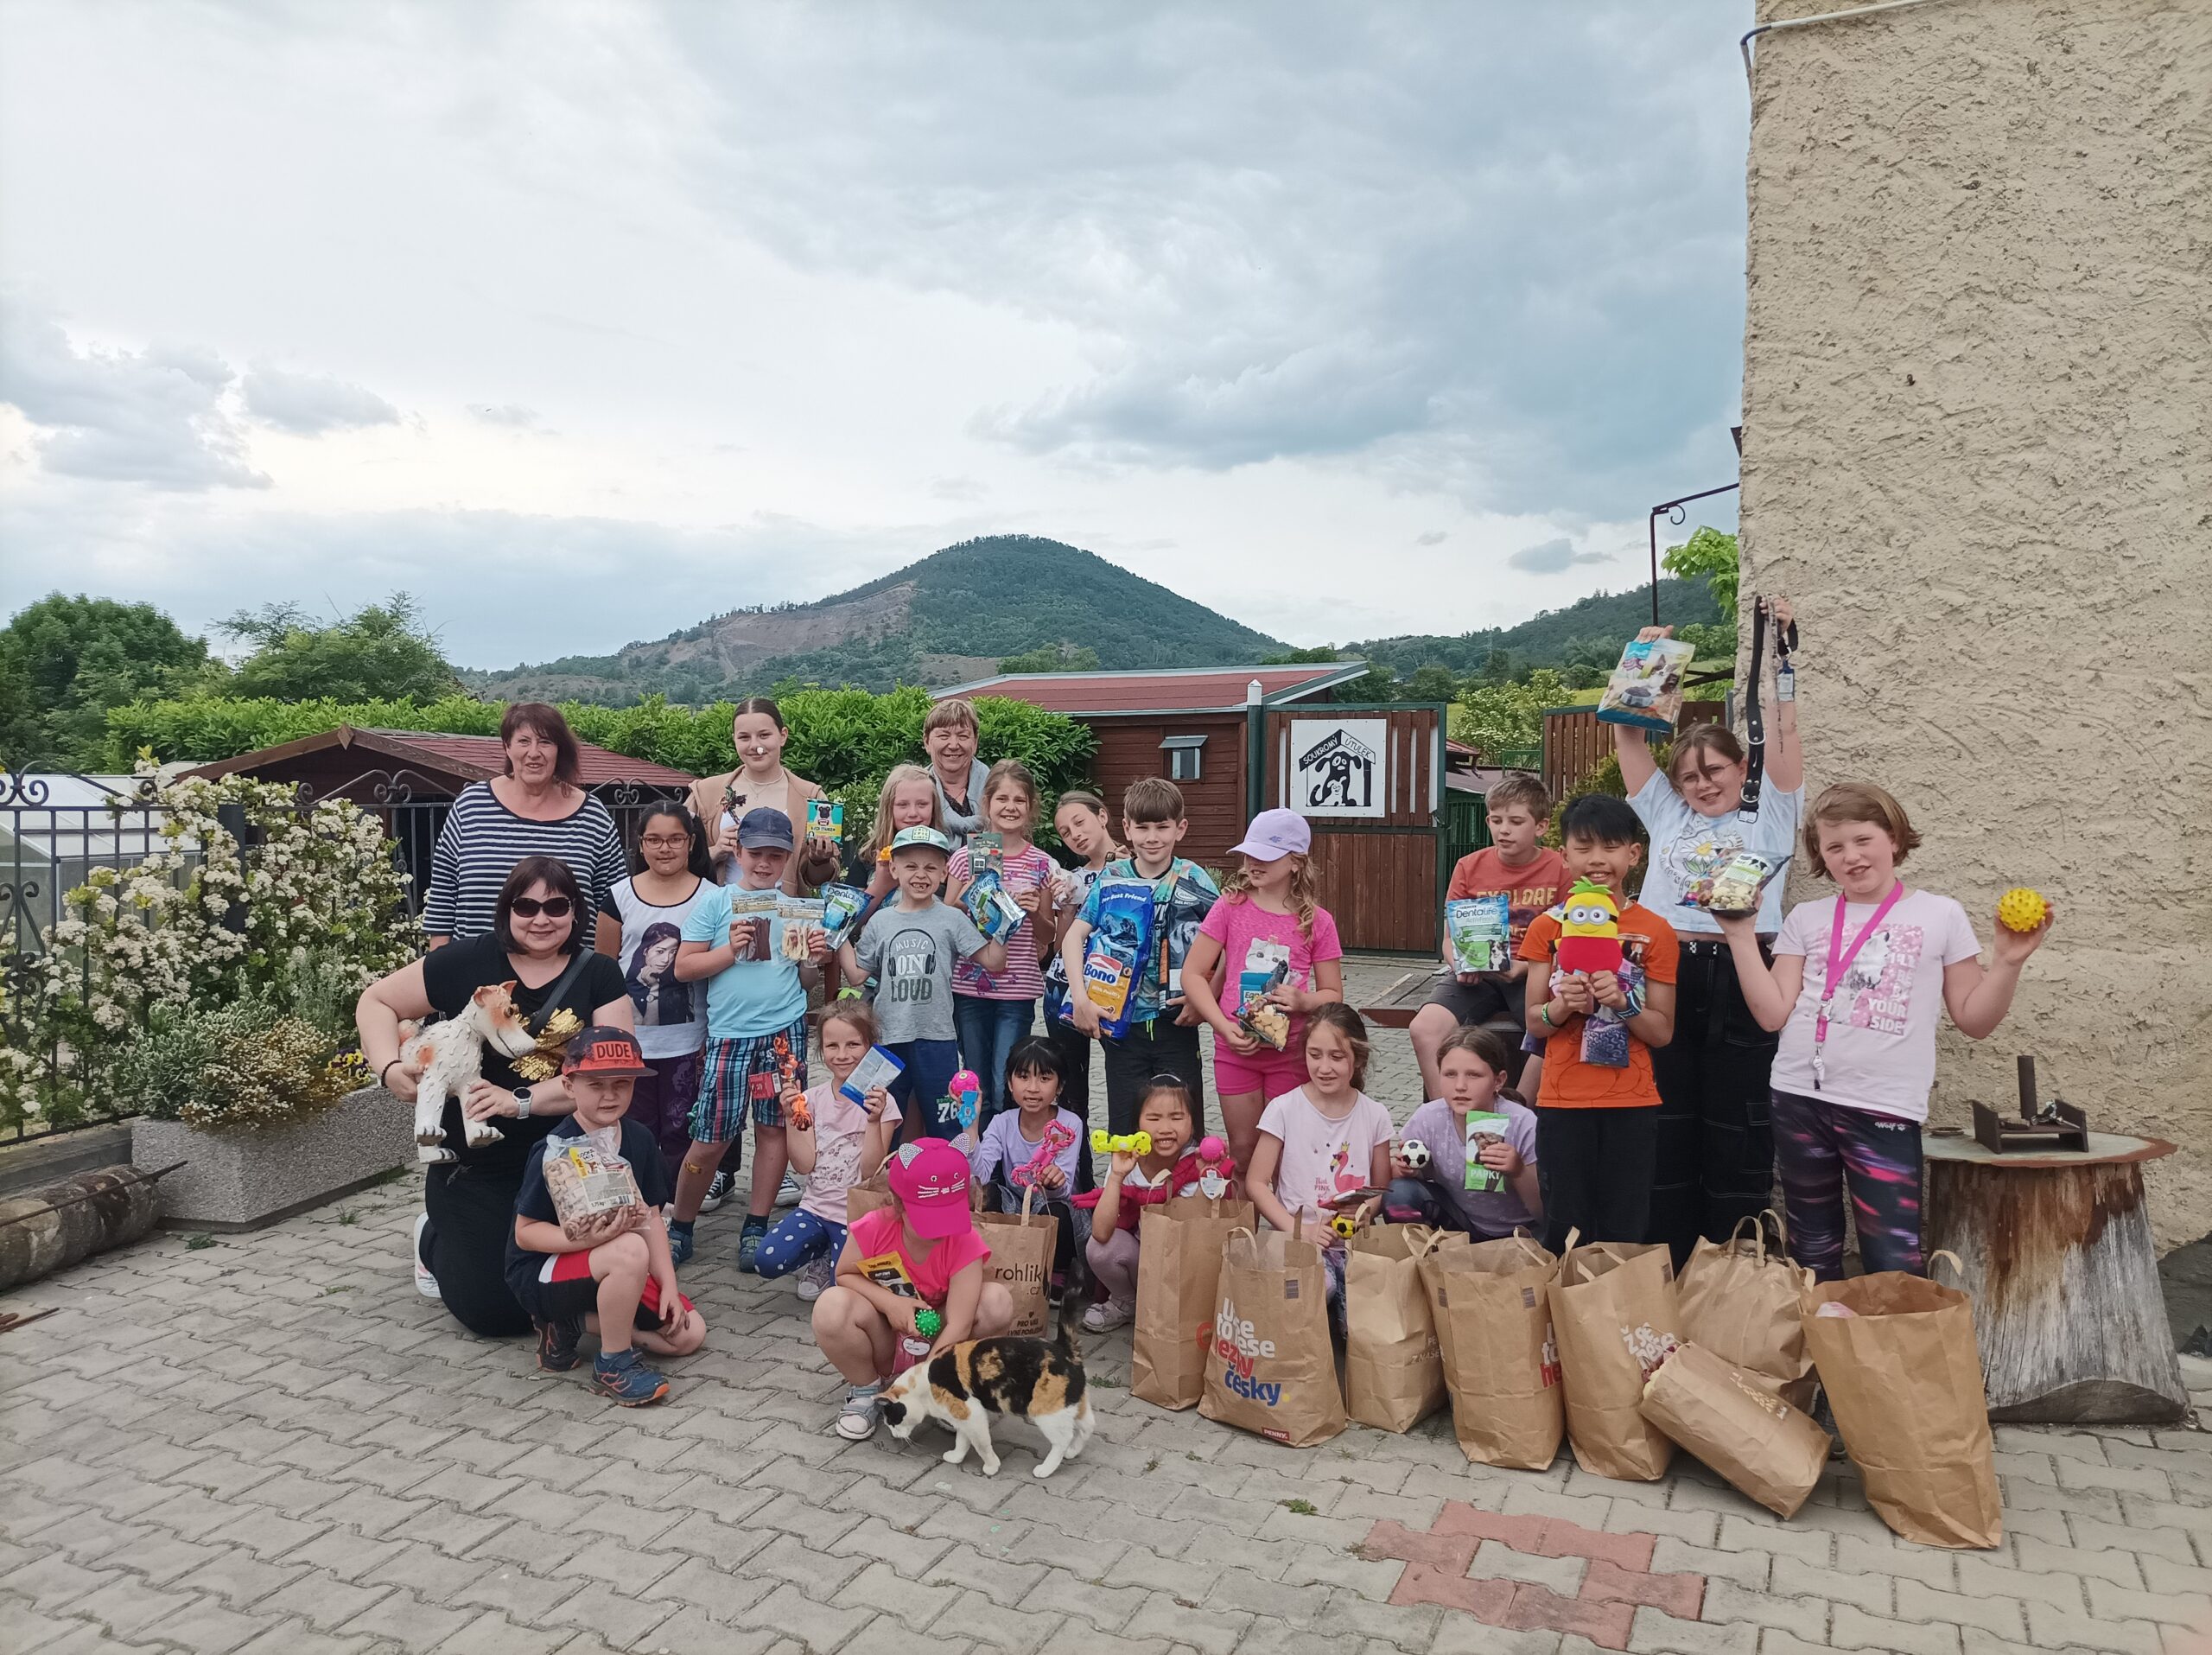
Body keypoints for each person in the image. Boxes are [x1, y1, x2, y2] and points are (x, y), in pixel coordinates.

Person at [1716, 782, 2055, 1280]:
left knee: (1894, 1257)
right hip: (1797, 1099)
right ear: (1822, 859)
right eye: (1834, 847)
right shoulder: (1806, 918)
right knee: (1810, 1250)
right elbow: (1772, 1015)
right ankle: (1820, 1351)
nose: (1850, 856)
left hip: (1884, 1104)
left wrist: (2007, 962)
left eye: (1862, 839)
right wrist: (1740, 935)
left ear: (1893, 837)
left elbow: (1974, 1020)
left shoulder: (1941, 914)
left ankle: (1889, 1355)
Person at [358, 856, 632, 1335]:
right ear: (506, 910)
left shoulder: (600, 973)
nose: (541, 918)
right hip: (476, 1161)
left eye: (556, 905)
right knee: (493, 1314)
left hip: (562, 1155)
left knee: (593, 1279)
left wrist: (518, 1101)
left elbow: (608, 1072)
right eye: (526, 906)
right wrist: (388, 1069)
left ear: (575, 912)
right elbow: (375, 1002)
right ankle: (433, 1242)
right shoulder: (467, 960)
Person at [1617, 602, 1804, 1266]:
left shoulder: (1772, 807)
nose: (1701, 784)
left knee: (1738, 1123)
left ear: (1740, 768)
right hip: (1669, 969)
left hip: (1746, 971)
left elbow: (1782, 740)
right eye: (1691, 775)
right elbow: (1630, 741)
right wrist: (1648, 663)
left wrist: (1784, 659)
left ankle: (1734, 1268)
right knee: (1666, 1118)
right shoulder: (1667, 811)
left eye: (1715, 771)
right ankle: (1667, 1261)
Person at [666, 809, 831, 1272]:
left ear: (787, 859)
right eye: (756, 853)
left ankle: (756, 1224)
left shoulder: (794, 906)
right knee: (710, 1137)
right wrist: (729, 950)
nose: (764, 864)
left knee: (774, 1128)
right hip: (730, 1037)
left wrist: (813, 960)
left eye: (775, 856)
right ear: (738, 853)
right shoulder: (717, 903)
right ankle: (681, 1225)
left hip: (784, 1035)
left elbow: (803, 981)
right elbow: (683, 968)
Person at [507, 1027, 705, 1405]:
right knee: (629, 1247)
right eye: (595, 1084)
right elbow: (525, 1234)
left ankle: (572, 1324)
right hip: (542, 1271)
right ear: (569, 1085)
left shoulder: (639, 1138)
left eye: (622, 1083)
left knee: (688, 1335)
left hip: (612, 1264)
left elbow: (650, 1218)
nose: (610, 1095)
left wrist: (668, 1286)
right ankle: (613, 1365)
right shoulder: (554, 1149)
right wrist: (590, 1240)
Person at [1517, 793, 1681, 1253]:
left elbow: (1663, 1032)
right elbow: (1535, 1021)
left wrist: (1624, 1003)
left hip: (1632, 1100)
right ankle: (1566, 1319)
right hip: (1563, 1099)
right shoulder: (1548, 927)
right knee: (1565, 1222)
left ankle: (1618, 1319)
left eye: (1610, 847)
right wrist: (1562, 1007)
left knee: (1625, 1222)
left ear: (1633, 854)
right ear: (1564, 854)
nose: (1597, 860)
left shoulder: (1655, 930)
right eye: (1584, 847)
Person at [1180, 807, 1344, 1188]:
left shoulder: (1318, 921)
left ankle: (1288, 1240)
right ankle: (1244, 1241)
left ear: (1296, 862)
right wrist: (1222, 1025)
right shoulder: (1230, 907)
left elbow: (1334, 994)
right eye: (1249, 853)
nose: (1252, 862)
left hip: (1290, 1054)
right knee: (1242, 1151)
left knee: (1285, 1153)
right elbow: (1193, 975)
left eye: (1265, 856)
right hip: (1235, 1050)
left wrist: (1304, 1003)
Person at [810, 1138, 1016, 1441]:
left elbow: (959, 1322)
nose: (940, 1230)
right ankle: (866, 1390)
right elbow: (844, 1274)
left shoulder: (964, 1239)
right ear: (897, 1203)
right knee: (831, 1306)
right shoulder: (873, 1227)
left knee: (997, 1301)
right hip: (886, 1338)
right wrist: (891, 1304)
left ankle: (948, 1388)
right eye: (929, 1219)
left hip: (940, 1339)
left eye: (948, 1215)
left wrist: (926, 1380)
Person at [1061, 779, 1219, 1136]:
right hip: (1122, 1027)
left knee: (1184, 1128)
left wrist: (1208, 996)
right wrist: (1081, 999)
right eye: (1143, 827)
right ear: (1127, 829)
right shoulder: (1113, 877)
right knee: (1125, 1127)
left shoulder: (1194, 878)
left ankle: (1182, 1194)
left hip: (1176, 1025)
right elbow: (1074, 937)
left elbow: (1227, 942)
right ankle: (1126, 1190)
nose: (1152, 837)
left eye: (1162, 827)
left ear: (1180, 828)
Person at [839, 826, 1007, 1140]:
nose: (921, 875)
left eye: (931, 867)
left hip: (937, 1039)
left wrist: (1003, 926)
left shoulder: (952, 919)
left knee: (945, 1125)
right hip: (887, 1039)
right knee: (885, 1123)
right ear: (893, 868)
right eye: (911, 866)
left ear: (945, 872)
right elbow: (857, 975)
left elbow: (994, 963)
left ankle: (948, 1181)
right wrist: (836, 935)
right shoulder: (881, 921)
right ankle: (887, 1183)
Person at [1409, 774, 1567, 1098]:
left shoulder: (1560, 869)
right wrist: (1461, 966)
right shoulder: (1469, 866)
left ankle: (1521, 1113)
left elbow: (1569, 941)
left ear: (1541, 826)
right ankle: (1444, 1116)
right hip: (1479, 974)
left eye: (1515, 821)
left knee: (1553, 1028)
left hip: (1534, 972)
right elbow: (1450, 939)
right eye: (1496, 820)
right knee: (1423, 1028)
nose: (1503, 829)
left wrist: (1525, 967)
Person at [421, 702, 626, 947]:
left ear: (559, 750)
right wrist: (439, 973)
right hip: (476, 976)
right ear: (507, 747)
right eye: (524, 741)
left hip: (569, 978)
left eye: (546, 742)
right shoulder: (471, 806)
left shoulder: (593, 816)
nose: (534, 752)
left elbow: (615, 908)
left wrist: (602, 978)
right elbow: (442, 900)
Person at [1244, 1003, 1394, 1309]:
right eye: (1315, 1055)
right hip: (1297, 1239)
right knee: (1316, 1289)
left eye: (1337, 1057)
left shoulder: (1375, 1115)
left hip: (1354, 1245)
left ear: (1358, 1059)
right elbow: (1257, 1183)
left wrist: (1366, 1210)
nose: (1324, 1067)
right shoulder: (1283, 1109)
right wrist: (1300, 1230)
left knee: (1365, 1314)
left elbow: (1381, 1188)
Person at [756, 1003, 901, 1300]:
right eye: (832, 1045)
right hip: (816, 1208)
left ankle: (830, 1260)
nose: (842, 1055)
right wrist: (790, 1116)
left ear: (870, 1047)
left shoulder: (882, 1104)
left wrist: (873, 1121)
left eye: (853, 1044)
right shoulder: (810, 1100)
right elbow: (803, 1164)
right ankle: (818, 1251)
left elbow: (870, 1172)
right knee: (766, 1260)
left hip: (857, 1215)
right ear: (821, 1049)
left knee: (845, 1287)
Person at [599, 804, 711, 1181]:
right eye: (655, 840)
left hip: (689, 1040)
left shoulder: (712, 897)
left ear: (691, 842)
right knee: (636, 1129)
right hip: (631, 1042)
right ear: (641, 845)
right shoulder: (619, 896)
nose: (665, 848)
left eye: (676, 839)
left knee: (682, 1128)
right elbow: (604, 967)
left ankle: (676, 1216)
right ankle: (640, 1204)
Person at [946, 760, 1058, 1123]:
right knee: (973, 1079)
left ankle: (1003, 1164)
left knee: (1005, 1081)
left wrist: (1032, 913)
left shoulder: (1041, 863)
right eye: (1002, 799)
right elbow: (946, 917)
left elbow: (1048, 936)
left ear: (1030, 808)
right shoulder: (966, 857)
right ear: (987, 803)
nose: (1010, 807)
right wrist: (970, 896)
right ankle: (973, 1155)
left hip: (1017, 989)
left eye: (1019, 800)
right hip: (969, 984)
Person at [1381, 1025, 1543, 1238]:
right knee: (1400, 1192)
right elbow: (1405, 1173)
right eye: (1449, 1074)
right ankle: (1420, 1259)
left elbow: (1544, 1211)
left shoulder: (1522, 1123)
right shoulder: (1430, 1117)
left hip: (1522, 1232)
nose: (1460, 1086)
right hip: (1460, 1224)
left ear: (1498, 1080)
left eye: (1473, 1075)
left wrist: (1518, 1170)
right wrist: (1408, 1169)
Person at [1076, 1076, 1203, 1332]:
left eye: (1177, 1118)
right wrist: (1117, 1176)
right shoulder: (1130, 1161)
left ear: (1193, 1122)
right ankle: (1127, 1303)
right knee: (1100, 1248)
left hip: (1182, 1269)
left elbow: (1200, 1237)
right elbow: (1101, 1233)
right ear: (1137, 1123)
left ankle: (1172, 1310)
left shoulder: (1198, 1165)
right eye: (1154, 1118)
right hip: (1141, 1262)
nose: (1165, 1128)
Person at [967, 1036, 1092, 1289]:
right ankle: (1003, 1264)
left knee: (1057, 1212)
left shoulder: (1070, 1124)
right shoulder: (1002, 1122)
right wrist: (971, 1123)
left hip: (1056, 1205)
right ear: (1010, 1083)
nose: (1033, 1088)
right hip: (1016, 1203)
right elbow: (978, 1177)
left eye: (1044, 1078)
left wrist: (1054, 1182)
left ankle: (1058, 1270)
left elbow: (1066, 1190)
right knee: (988, 1194)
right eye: (1023, 1077)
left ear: (1060, 1086)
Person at [684, 696, 840, 894]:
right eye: (744, 737)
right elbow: (675, 857)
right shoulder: (706, 792)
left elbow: (818, 880)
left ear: (783, 736)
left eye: (764, 735)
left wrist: (820, 859)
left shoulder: (810, 797)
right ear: (734, 739)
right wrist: (714, 852)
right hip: (721, 914)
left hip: (784, 917)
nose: (755, 746)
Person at [1043, 788, 1119, 1129]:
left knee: (1125, 1084)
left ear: (1102, 816)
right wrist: (1069, 906)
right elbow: (1060, 947)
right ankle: (1077, 1172)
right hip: (1063, 990)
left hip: (1115, 990)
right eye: (1065, 832)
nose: (1075, 835)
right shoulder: (1072, 878)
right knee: (1070, 1092)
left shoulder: (1137, 866)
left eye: (1079, 822)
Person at [853, 762, 945, 918]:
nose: (913, 813)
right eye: (902, 805)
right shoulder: (868, 855)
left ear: (934, 807)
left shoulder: (945, 854)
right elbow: (845, 926)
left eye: (922, 804)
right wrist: (879, 887)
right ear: (889, 808)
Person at [923, 697, 991, 851]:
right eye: (943, 736)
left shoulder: (998, 790)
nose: (954, 745)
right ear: (927, 742)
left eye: (963, 736)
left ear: (975, 743)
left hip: (988, 875)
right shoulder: (914, 792)